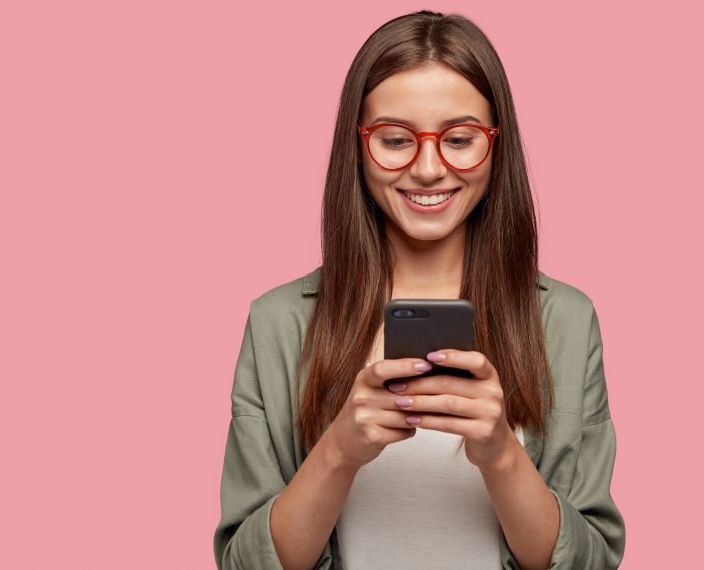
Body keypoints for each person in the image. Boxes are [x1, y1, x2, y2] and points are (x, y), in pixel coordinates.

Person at [213, 10, 625, 570]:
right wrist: (338, 451)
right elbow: (243, 563)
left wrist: (502, 454)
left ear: (496, 145)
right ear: (357, 147)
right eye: (394, 139)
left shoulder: (567, 322)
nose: (428, 168)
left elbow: (594, 560)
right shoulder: (278, 323)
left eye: (459, 138)